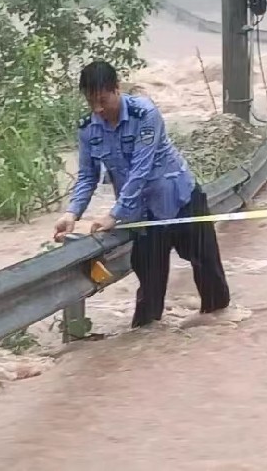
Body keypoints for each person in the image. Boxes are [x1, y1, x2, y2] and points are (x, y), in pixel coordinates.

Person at [53, 60, 231, 328]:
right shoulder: (88, 128)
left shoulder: (144, 114)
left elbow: (141, 169)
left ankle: (219, 327)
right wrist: (72, 213)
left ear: (116, 88)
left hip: (180, 201)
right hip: (144, 214)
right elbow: (88, 176)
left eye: (103, 101)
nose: (98, 109)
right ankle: (146, 341)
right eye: (91, 102)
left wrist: (115, 214)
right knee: (149, 287)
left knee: (209, 272)